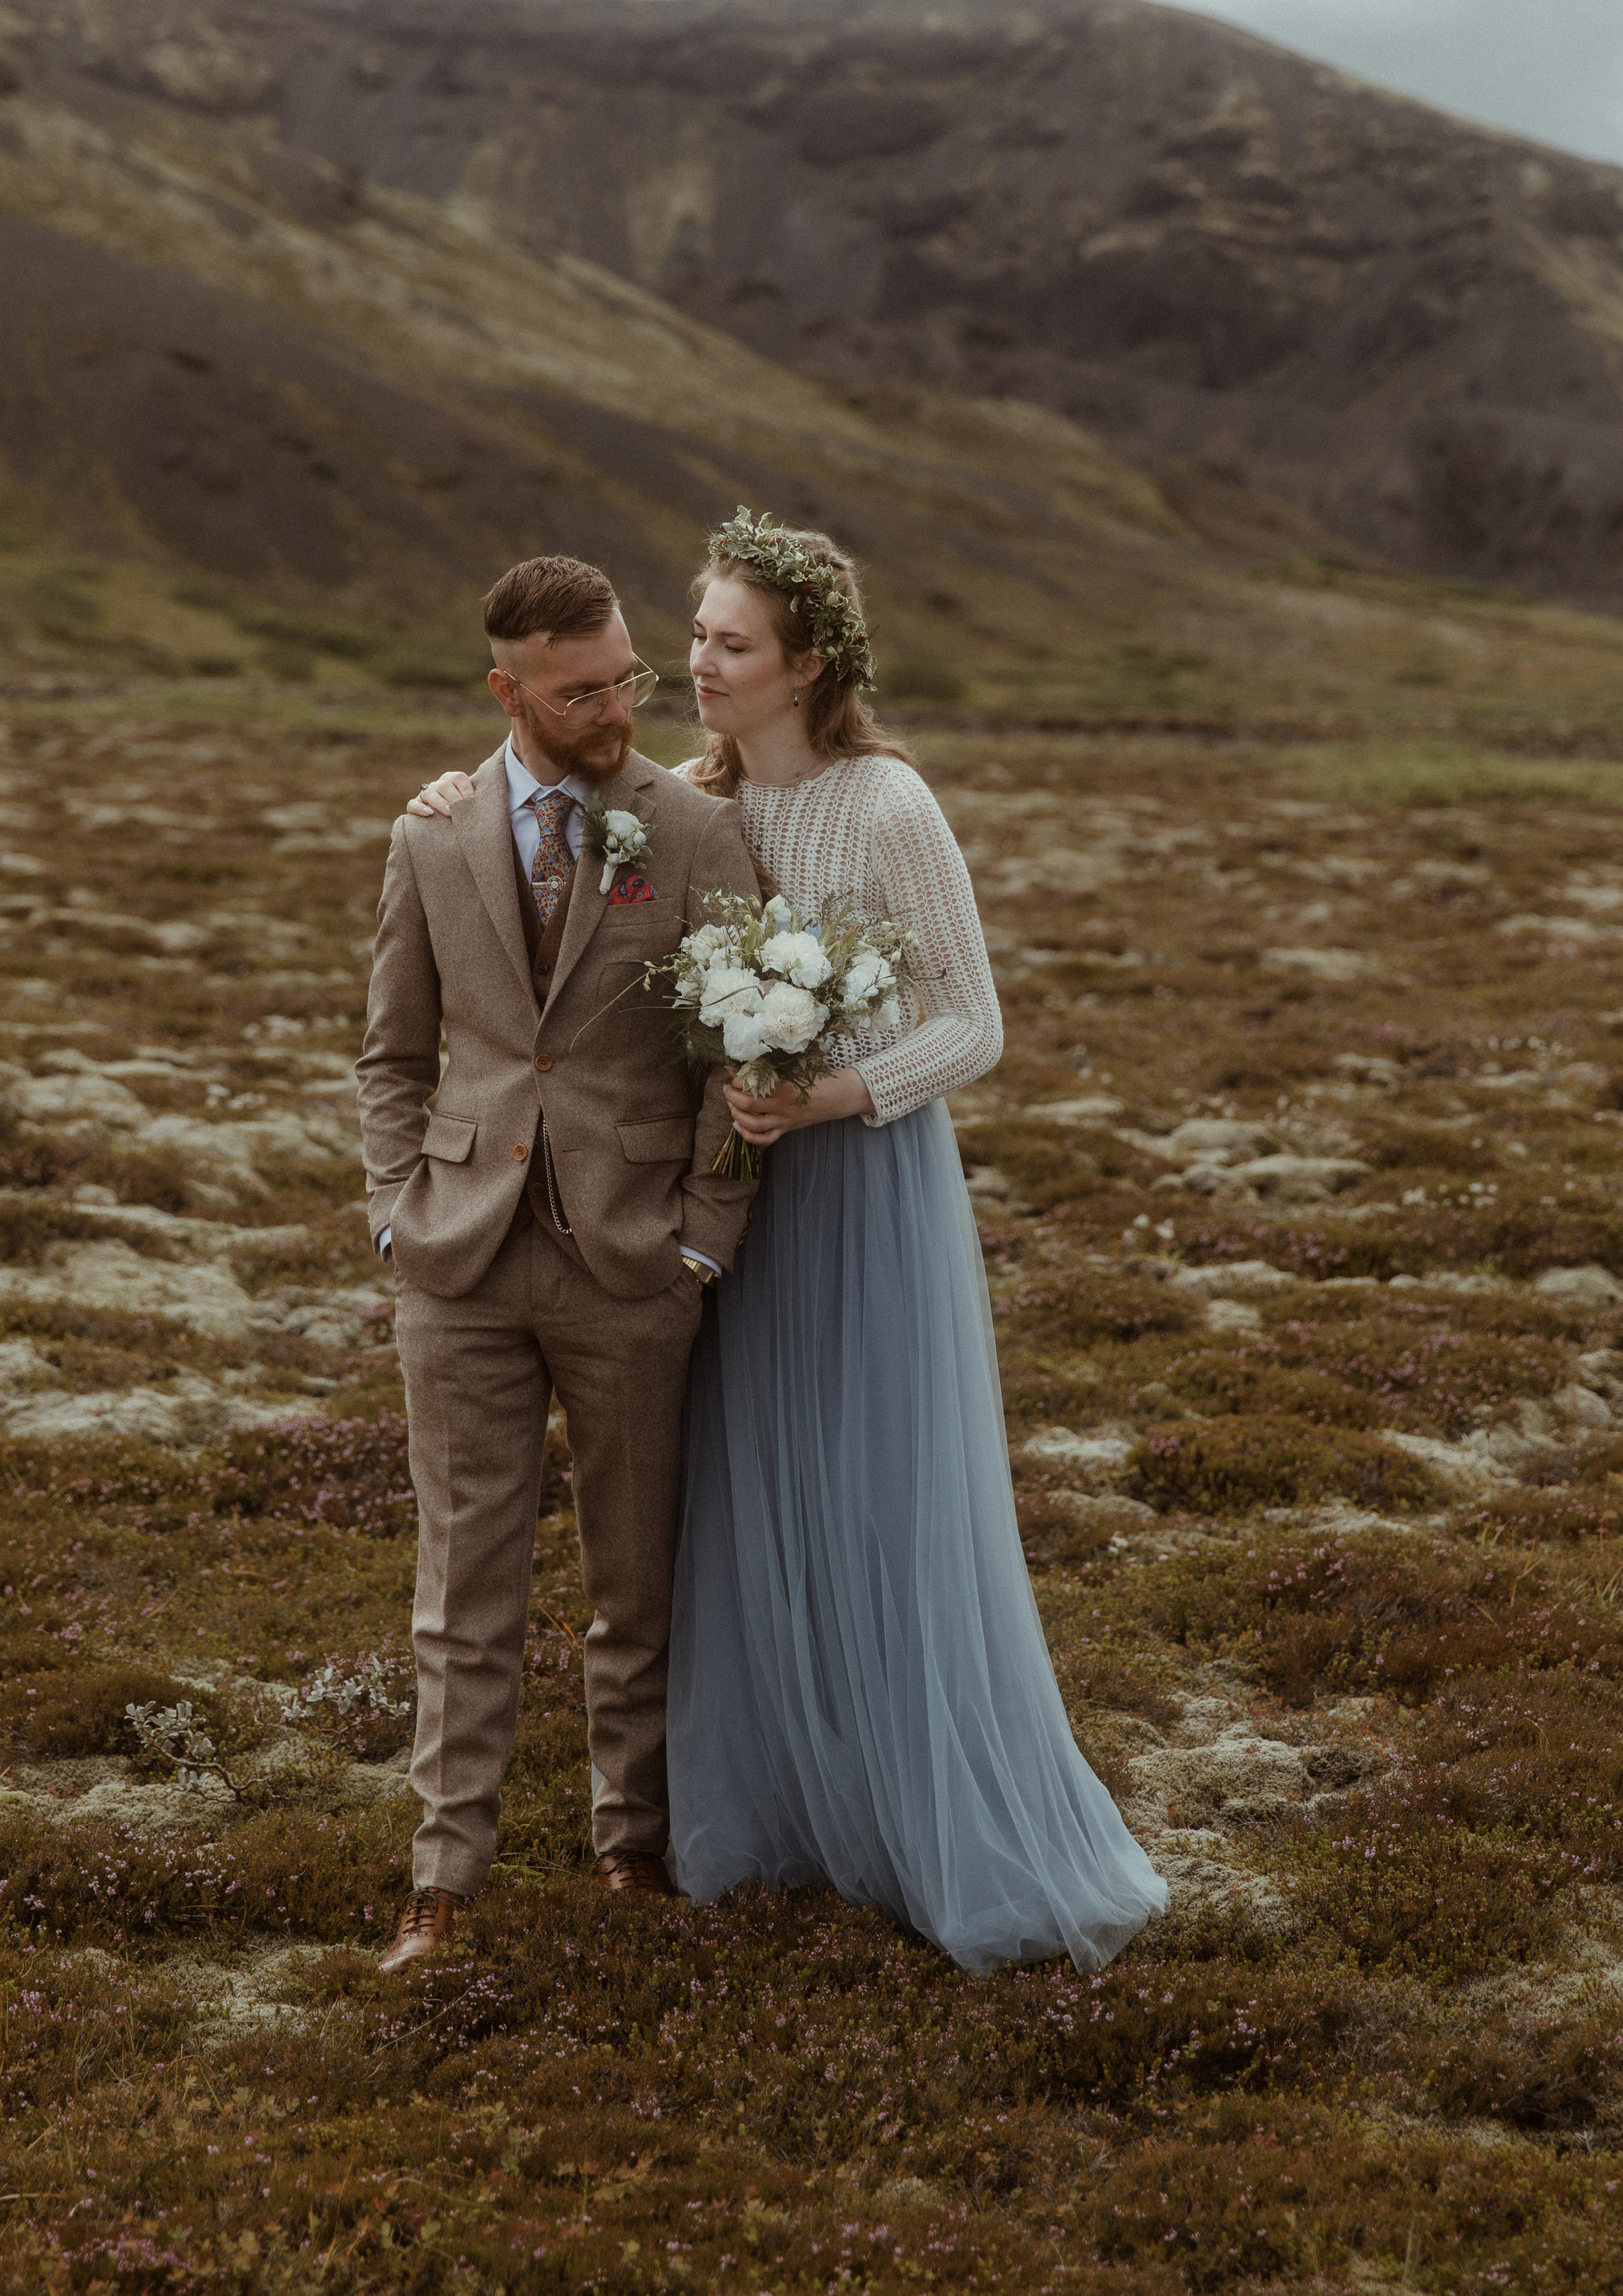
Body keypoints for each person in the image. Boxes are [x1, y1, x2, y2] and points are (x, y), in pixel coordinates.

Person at [402, 516, 1165, 1974]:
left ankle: (922, 1825)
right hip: (721, 1204)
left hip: (860, 1192)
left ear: (806, 664)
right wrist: (458, 794)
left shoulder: (888, 806)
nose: (691, 663)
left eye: (724, 643)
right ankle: (776, 1819)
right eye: (689, 636)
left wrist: (823, 1095)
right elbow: (551, 841)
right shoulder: (688, 800)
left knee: (875, 1503)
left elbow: (972, 1022)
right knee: (742, 1509)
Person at [357, 553, 758, 1972]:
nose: (610, 709)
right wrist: (395, 1211)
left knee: (632, 1584)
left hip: (632, 1264)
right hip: (455, 1267)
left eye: (626, 680)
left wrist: (702, 1242)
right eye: (578, 691)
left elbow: (735, 1060)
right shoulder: (431, 836)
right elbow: (394, 1051)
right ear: (506, 691)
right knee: (460, 1592)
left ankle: (628, 1847)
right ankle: (441, 1878)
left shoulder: (693, 831)